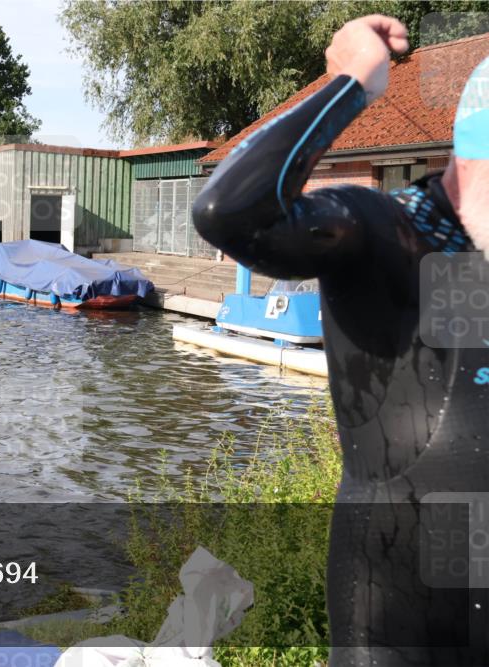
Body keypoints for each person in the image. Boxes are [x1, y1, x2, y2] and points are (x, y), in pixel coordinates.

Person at [192, 16, 488, 666]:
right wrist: (350, 81)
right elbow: (231, 212)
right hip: (395, 635)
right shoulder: (387, 231)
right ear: (473, 154)